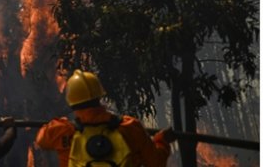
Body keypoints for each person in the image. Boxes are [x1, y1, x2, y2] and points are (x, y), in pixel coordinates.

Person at [35, 70, 175, 167]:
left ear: (72, 102)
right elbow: (156, 163)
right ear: (99, 97)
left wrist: (62, 123)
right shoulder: (130, 127)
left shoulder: (63, 132)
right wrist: (161, 140)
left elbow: (41, 139)